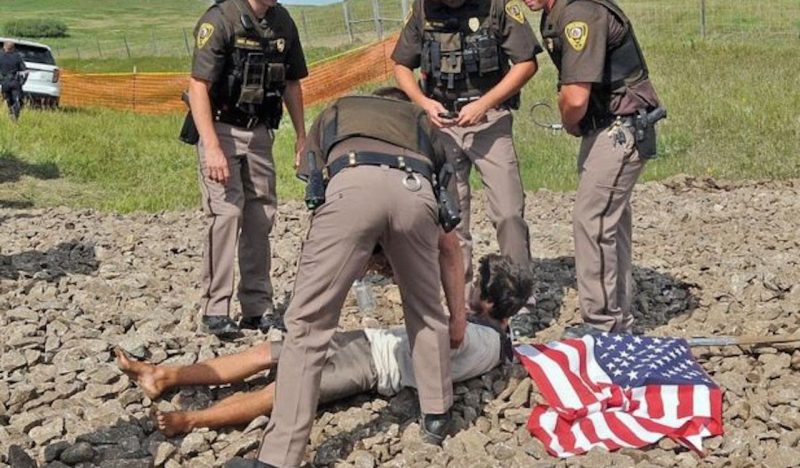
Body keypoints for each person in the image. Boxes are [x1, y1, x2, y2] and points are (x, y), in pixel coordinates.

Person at [219, 86, 467, 468]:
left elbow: (314, 187)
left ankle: (279, 456)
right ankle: (437, 415)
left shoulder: (338, 107)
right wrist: (458, 320)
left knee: (307, 323)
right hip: (415, 191)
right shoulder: (422, 121)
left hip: (352, 183)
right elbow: (448, 237)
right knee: (425, 310)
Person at [117, 254, 534, 438]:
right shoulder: (493, 337)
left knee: (286, 389)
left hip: (375, 367)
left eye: (476, 287)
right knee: (274, 352)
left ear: (491, 303)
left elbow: (437, 334)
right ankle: (164, 374)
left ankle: (193, 420)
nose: (469, 290)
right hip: (371, 344)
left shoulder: (479, 338)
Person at [392, 0, 542, 314]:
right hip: (443, 123)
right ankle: (460, 301)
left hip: (490, 120)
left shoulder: (499, 5)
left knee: (509, 212)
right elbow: (401, 65)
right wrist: (422, 103)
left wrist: (484, 104)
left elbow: (527, 62)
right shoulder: (423, 9)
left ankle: (518, 299)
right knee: (452, 218)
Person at [522, 0, 663, 334]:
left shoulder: (579, 13)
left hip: (621, 127)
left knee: (593, 222)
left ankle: (603, 326)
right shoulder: (556, 12)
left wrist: (570, 121)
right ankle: (618, 317)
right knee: (610, 224)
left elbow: (574, 98)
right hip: (607, 126)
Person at [188, 0, 308, 337]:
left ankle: (257, 307)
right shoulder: (220, 19)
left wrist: (302, 137)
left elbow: (292, 83)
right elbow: (198, 86)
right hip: (221, 128)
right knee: (226, 215)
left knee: (260, 217)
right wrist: (211, 146)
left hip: (260, 132)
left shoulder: (282, 21)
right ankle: (215, 310)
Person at [0, 41, 28, 122]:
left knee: (8, 100)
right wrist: (23, 82)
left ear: (4, 47)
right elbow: (25, 71)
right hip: (14, 82)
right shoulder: (17, 56)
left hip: (4, 82)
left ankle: (11, 115)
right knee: (16, 101)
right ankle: (14, 118)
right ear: (13, 48)